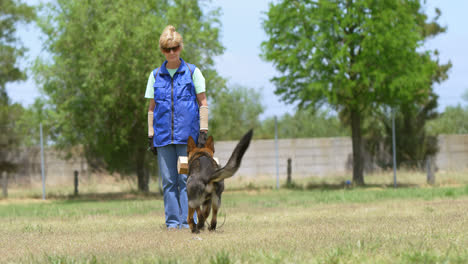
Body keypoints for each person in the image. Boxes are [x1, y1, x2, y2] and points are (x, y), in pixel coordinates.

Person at [145, 25, 208, 229]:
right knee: (169, 182)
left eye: (175, 48)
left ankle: (189, 221)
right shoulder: (155, 76)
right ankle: (172, 224)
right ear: (162, 51)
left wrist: (203, 131)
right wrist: (150, 135)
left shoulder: (193, 72)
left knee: (187, 181)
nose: (171, 53)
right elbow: (151, 109)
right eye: (167, 49)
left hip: (187, 138)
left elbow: (203, 103)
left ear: (181, 47)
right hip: (163, 137)